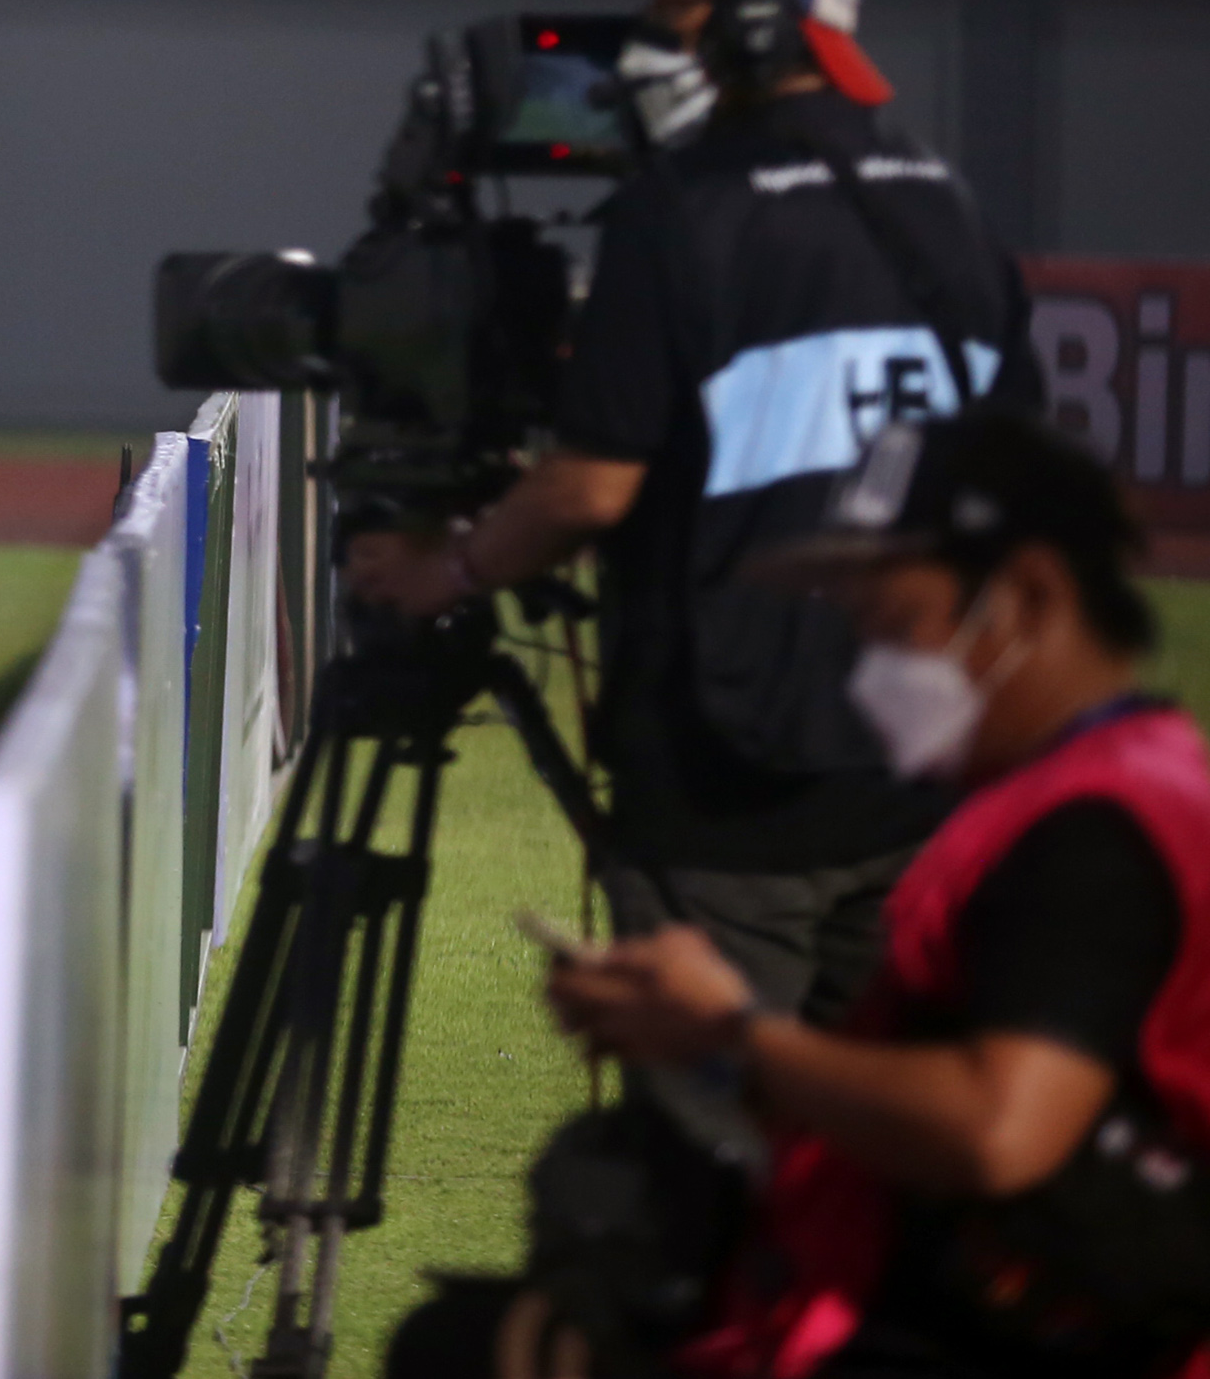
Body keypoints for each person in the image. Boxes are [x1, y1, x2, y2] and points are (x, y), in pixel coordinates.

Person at [352, 0, 1035, 1028]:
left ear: (757, 18)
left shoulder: (681, 211)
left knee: (708, 1167)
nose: (648, 38)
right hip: (928, 780)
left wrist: (451, 567)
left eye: (672, 3)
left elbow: (588, 485)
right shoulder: (950, 207)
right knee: (873, 1170)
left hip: (730, 796)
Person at [517, 411, 1210, 1378]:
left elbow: (999, 1129)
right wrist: (713, 1052)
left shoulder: (1094, 828)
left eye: (893, 627)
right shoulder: (1068, 795)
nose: (870, 669)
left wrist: (732, 1034)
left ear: (1027, 598)